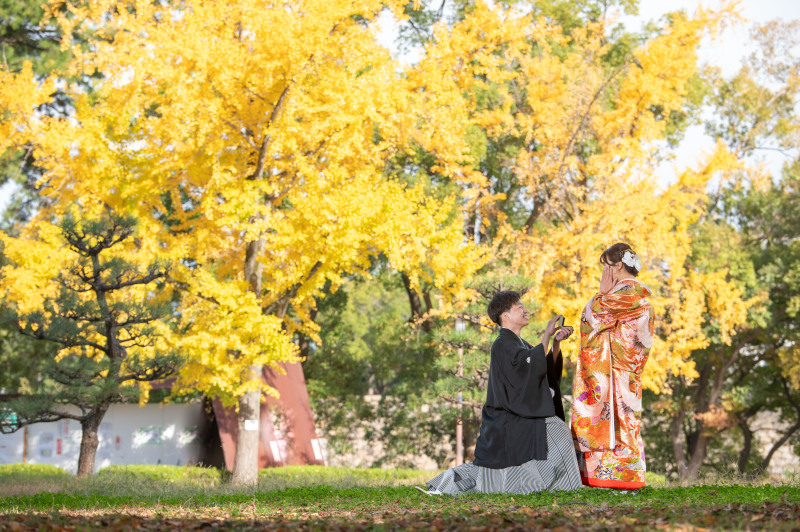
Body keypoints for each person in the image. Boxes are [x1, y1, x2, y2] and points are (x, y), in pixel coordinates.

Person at [421, 291, 582, 495]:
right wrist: (547, 335)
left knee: (556, 430)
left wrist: (556, 342)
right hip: (507, 419)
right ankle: (564, 486)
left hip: (519, 415)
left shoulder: (520, 345)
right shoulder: (501, 344)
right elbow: (527, 370)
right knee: (556, 429)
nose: (525, 310)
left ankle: (562, 486)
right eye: (519, 307)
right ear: (505, 316)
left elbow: (542, 370)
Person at [571, 243, 655, 489]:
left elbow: (592, 317)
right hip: (625, 369)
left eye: (607, 266)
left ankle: (615, 478)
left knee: (617, 423)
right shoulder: (633, 293)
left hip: (615, 368)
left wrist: (600, 294)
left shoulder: (626, 293)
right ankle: (620, 476)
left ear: (618, 265)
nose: (604, 271)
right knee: (625, 423)